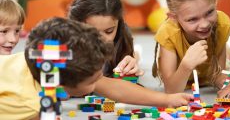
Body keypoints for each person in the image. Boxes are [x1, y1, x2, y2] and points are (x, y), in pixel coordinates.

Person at [0, 18, 191, 119]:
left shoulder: (42, 61)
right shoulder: (27, 103)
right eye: (93, 81)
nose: (99, 81)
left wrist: (166, 99)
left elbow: (113, 87)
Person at [152, 0, 230, 93]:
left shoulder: (222, 24)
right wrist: (186, 65)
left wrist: (225, 82)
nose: (205, 24)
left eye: (209, 12)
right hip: (184, 78)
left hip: (206, 72)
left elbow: (216, 75)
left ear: (215, 2)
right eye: (192, 19)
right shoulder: (168, 33)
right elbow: (171, 90)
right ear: (173, 17)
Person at [68, 0, 143, 77]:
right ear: (75, 25)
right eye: (92, 32)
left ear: (118, 24)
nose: (101, 40)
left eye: (109, 31)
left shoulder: (121, 38)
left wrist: (131, 62)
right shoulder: (64, 47)